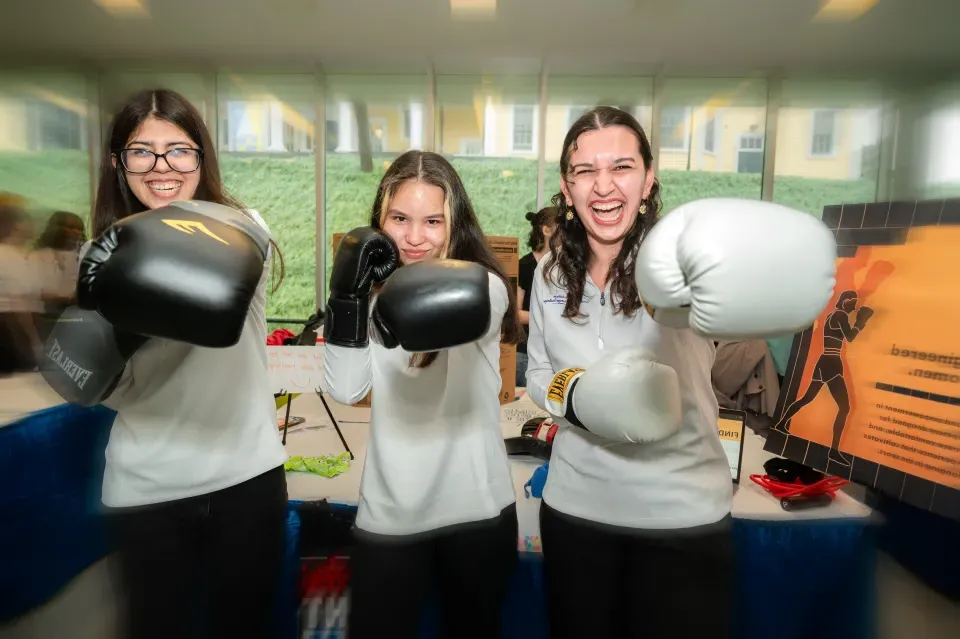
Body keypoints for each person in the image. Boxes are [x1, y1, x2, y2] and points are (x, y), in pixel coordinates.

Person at [525, 106, 836, 638]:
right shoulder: (551, 271)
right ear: (566, 187)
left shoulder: (682, 261)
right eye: (586, 171)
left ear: (648, 180)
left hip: (679, 517)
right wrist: (575, 394)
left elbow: (757, 288)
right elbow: (536, 373)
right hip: (576, 512)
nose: (603, 186)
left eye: (621, 167)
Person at [56, 88, 290, 639]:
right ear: (119, 162)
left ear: (201, 159)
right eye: (142, 151)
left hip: (244, 474)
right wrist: (112, 334)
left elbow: (217, 295)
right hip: (145, 483)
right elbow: (109, 389)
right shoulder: (104, 250)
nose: (162, 167)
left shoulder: (244, 228)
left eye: (179, 150)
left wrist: (141, 293)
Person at [322, 150, 524, 639]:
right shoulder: (367, 299)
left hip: (476, 507)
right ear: (381, 222)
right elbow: (347, 389)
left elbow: (446, 320)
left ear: (455, 224)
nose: (415, 238)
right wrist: (347, 299)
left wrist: (384, 305)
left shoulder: (487, 288)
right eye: (400, 219)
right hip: (391, 510)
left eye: (433, 221)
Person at [516, 206, 557, 387]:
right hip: (525, 354)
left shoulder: (564, 267)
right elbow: (514, 313)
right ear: (546, 230)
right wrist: (546, 319)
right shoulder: (524, 266)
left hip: (554, 354)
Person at [0, 199, 41, 375]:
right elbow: (20, 304)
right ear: (16, 225)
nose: (33, 225)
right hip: (10, 329)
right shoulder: (10, 256)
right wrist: (34, 340)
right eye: (27, 220)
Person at [30, 211, 86, 338]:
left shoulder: (84, 254)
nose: (76, 232)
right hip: (48, 319)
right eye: (71, 227)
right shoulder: (39, 255)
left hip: (78, 319)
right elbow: (37, 290)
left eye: (79, 228)